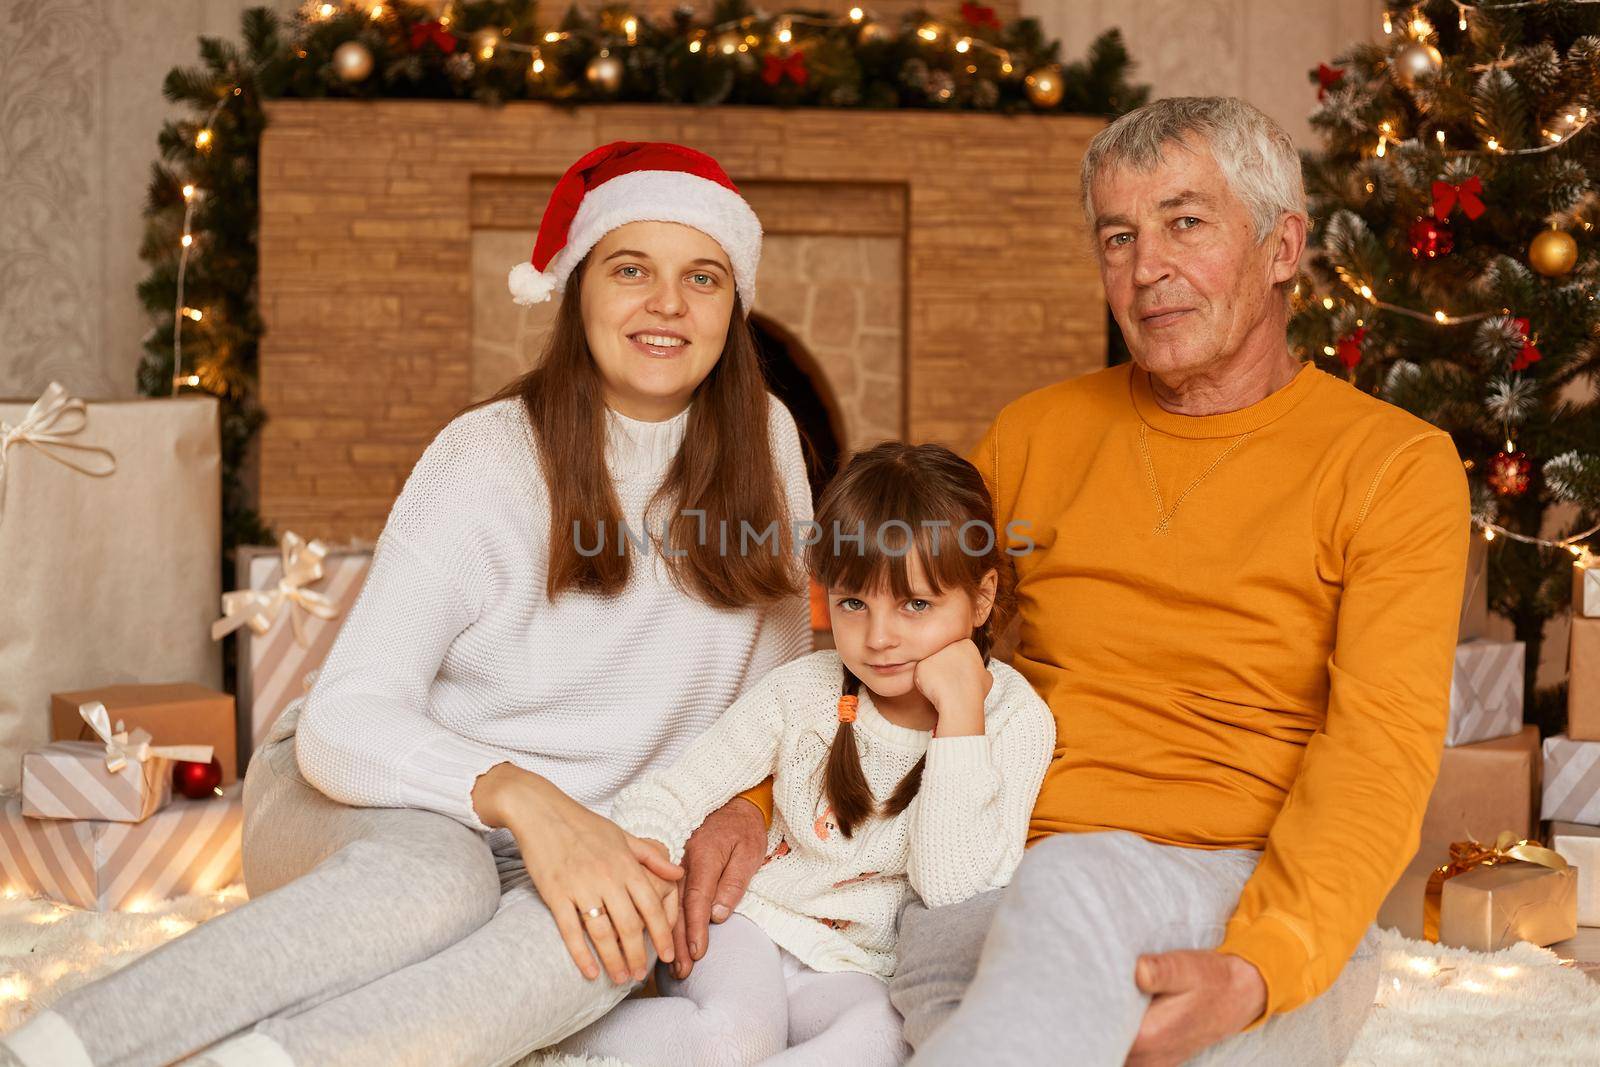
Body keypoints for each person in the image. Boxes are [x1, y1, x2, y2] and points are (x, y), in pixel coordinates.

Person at [1, 141, 815, 1067]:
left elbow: (779, 697)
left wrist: (740, 809)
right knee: (439, 883)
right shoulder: (487, 457)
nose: (667, 303)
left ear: (733, 306)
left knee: (617, 934)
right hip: (373, 788)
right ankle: (62, 1047)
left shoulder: (769, 445)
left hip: (592, 838)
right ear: (577, 287)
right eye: (632, 269)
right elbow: (344, 724)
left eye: (701, 277)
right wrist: (524, 797)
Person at [886, 95, 1473, 1066]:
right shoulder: (1033, 433)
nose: (1144, 268)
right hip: (1001, 885)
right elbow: (889, 642)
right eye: (1117, 236)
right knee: (989, 962)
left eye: (1184, 223)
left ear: (1282, 247)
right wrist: (747, 807)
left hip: (1241, 899)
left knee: (1090, 913)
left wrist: (1261, 964)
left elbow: (1379, 748)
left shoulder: (1392, 465)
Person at [556, 442, 1053, 1065]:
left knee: (882, 1044)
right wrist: (642, 888)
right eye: (853, 603)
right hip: (746, 924)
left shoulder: (1014, 719)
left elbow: (954, 890)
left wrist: (960, 715)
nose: (877, 639)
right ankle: (543, 1046)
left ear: (980, 600)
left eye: (916, 605)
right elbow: (675, 792)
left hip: (858, 968)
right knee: (735, 1037)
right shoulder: (807, 690)